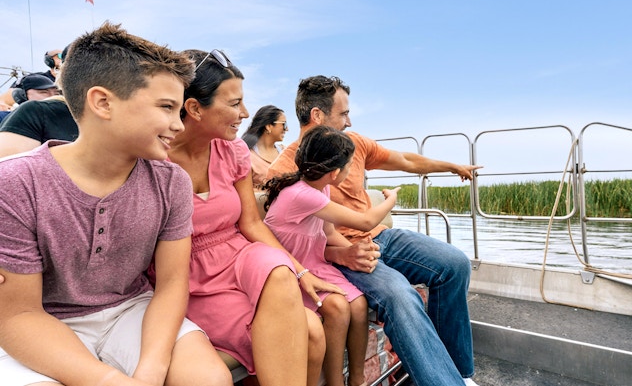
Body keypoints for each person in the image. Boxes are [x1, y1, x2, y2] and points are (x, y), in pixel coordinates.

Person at [0, 22, 231, 386]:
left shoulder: (171, 182)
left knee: (207, 378)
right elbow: (18, 315)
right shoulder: (15, 184)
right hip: (42, 320)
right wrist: (109, 380)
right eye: (167, 107)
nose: (179, 126)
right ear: (103, 102)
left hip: (131, 309)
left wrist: (150, 370)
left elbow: (172, 284)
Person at [267, 75, 483, 386]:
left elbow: (406, 159)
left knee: (454, 264)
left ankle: (458, 375)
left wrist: (452, 167)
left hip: (378, 237)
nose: (349, 120)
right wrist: (344, 254)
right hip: (337, 256)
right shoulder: (286, 172)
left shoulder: (353, 144)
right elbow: (291, 240)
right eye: (343, 113)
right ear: (318, 115)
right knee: (400, 295)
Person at [164, 49, 343, 386]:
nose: (246, 114)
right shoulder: (155, 158)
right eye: (234, 104)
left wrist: (300, 270)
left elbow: (250, 223)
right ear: (194, 108)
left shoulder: (232, 152)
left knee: (287, 283)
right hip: (188, 270)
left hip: (238, 254)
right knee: (309, 332)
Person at [264, 125, 400, 386]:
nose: (350, 172)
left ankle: (357, 379)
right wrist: (391, 199)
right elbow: (365, 222)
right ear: (336, 171)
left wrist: (349, 251)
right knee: (338, 307)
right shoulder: (300, 194)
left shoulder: (320, 188)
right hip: (288, 266)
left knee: (358, 304)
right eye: (349, 166)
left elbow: (327, 232)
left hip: (314, 261)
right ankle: (335, 381)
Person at [241, 104, 288, 190]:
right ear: (269, 126)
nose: (287, 129)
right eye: (284, 124)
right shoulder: (247, 157)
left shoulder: (286, 152)